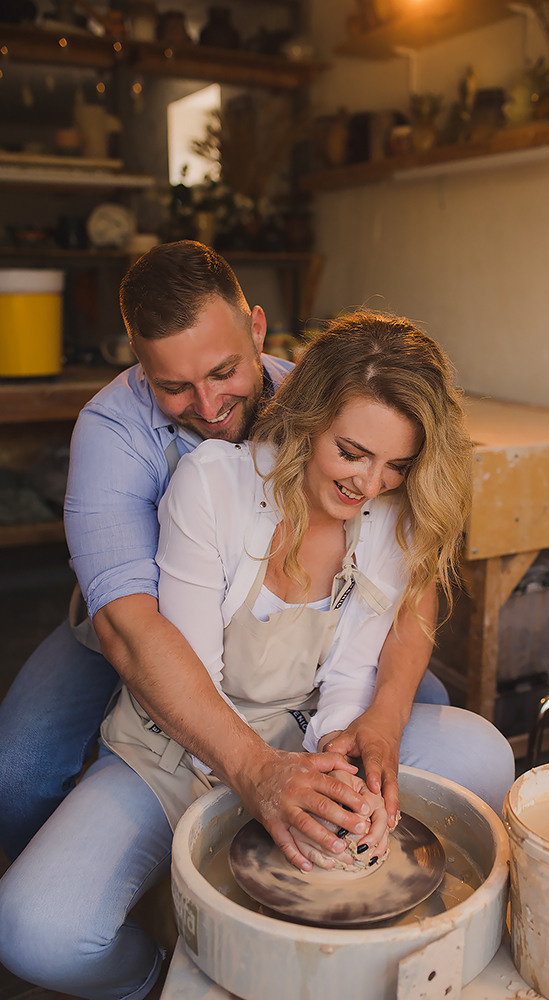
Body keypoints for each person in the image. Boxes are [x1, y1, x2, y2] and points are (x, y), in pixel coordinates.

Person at [0, 311, 514, 1000]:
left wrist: (337, 751)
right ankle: (157, 979)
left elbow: (351, 673)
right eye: (352, 452)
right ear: (308, 419)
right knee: (33, 930)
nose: (369, 484)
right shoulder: (214, 483)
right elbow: (182, 665)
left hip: (294, 730)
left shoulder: (389, 510)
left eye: (397, 464)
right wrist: (261, 783)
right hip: (179, 739)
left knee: (483, 753)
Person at [0, 241, 449, 864]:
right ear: (139, 362)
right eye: (174, 387)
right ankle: (111, 896)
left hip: (287, 644)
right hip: (132, 631)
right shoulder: (110, 433)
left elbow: (407, 569)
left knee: (428, 706)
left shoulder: (321, 401)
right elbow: (129, 629)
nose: (208, 408)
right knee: (16, 773)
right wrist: (253, 768)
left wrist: (383, 716)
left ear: (257, 329)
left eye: (223, 373)